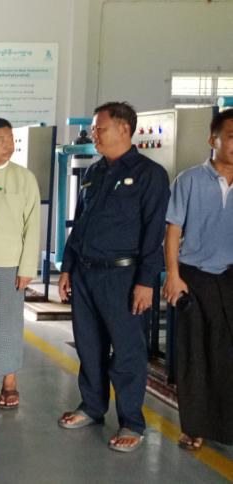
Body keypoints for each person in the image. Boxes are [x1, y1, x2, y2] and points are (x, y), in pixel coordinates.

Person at [58, 101, 170, 452]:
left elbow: (154, 233)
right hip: (85, 274)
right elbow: (80, 225)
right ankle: (92, 406)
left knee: (127, 352)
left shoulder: (150, 174)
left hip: (123, 277)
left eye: (99, 128)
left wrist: (146, 282)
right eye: (94, 128)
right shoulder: (94, 172)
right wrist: (67, 268)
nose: (93, 134)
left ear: (124, 129)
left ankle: (131, 422)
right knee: (89, 346)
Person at [162, 109, 233, 451]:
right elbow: (173, 231)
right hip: (195, 278)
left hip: (231, 277)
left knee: (226, 355)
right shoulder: (188, 180)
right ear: (212, 140)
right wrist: (173, 276)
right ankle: (195, 427)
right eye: (232, 137)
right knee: (195, 355)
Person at [0, 118, 41, 409]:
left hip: (9, 264)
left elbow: (33, 225)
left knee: (8, 324)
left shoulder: (24, 178)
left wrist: (27, 268)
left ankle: (10, 381)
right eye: (0, 140)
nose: (8, 145)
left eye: (11, 139)